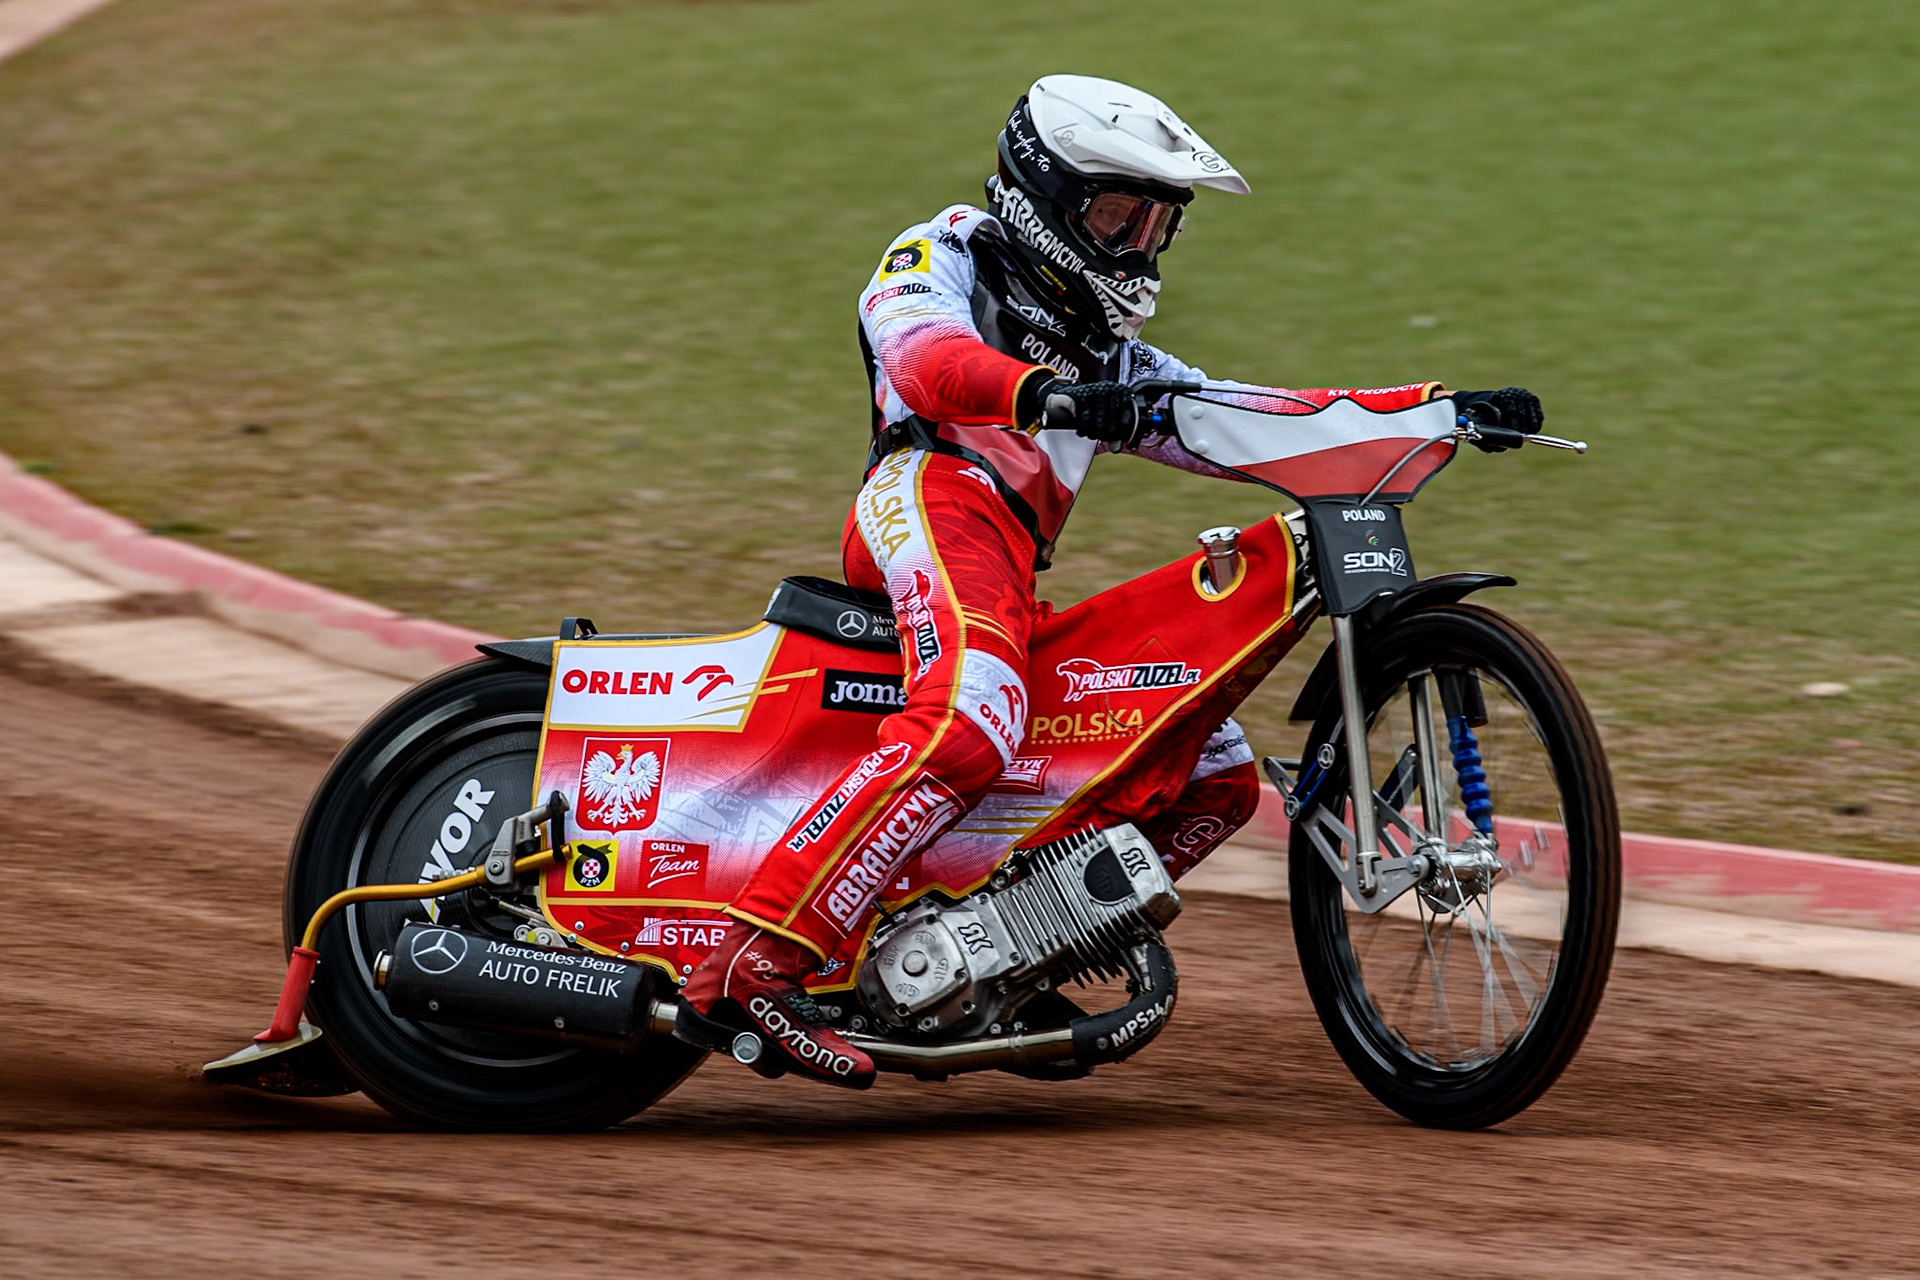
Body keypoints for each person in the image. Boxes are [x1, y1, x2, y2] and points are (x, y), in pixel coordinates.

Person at [682, 74, 1544, 1087]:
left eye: (1155, 224)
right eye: (1114, 215)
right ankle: (751, 959)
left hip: (1007, 560)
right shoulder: (943, 250)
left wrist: (1435, 413)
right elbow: (923, 361)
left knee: (1212, 771)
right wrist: (1046, 394)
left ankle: (1002, 953)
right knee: (973, 715)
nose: (1136, 243)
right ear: (1039, 196)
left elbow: (1247, 416)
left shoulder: (1111, 353)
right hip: (929, 496)